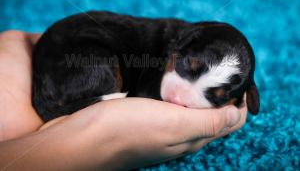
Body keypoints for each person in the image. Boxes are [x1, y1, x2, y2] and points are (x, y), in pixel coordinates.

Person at [0, 31, 247, 170]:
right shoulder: (172, 42)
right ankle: (70, 104)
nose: (179, 97)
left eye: (213, 97)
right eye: (185, 68)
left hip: (54, 66)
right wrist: (103, 136)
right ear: (181, 45)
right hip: (76, 46)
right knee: (99, 67)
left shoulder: (189, 46)